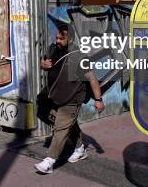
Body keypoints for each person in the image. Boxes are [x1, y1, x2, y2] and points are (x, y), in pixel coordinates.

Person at [34, 24, 105, 174]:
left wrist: (98, 100)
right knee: (60, 121)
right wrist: (43, 65)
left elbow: (92, 79)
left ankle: (49, 162)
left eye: (61, 38)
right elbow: (45, 63)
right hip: (54, 95)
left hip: (72, 98)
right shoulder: (52, 49)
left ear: (70, 38)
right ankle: (80, 148)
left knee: (61, 127)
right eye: (56, 37)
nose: (57, 41)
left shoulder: (79, 56)